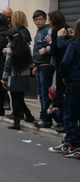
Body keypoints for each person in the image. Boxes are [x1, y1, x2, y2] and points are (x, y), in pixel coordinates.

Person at [49, 19, 80, 158]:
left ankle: (73, 144)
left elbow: (65, 62)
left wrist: (64, 76)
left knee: (70, 112)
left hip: (74, 81)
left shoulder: (74, 44)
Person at [1, 27, 35, 130]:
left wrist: (4, 79)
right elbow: (31, 62)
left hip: (14, 76)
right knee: (20, 98)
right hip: (24, 76)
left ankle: (17, 122)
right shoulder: (25, 47)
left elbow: (8, 65)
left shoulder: (11, 49)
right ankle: (29, 116)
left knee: (15, 100)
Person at [2, 7, 12, 111]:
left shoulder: (13, 27)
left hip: (9, 56)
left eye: (10, 16)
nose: (8, 19)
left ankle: (6, 101)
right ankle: (5, 101)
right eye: (6, 16)